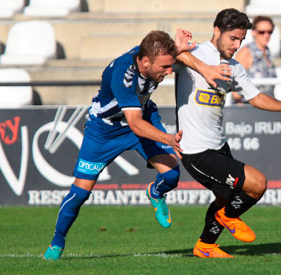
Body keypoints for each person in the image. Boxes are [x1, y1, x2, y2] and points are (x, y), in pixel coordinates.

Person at [43, 29, 228, 261]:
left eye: (170, 66)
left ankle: (155, 192)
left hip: (143, 116)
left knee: (171, 176)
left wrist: (180, 46)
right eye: (164, 68)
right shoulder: (123, 74)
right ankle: (57, 242)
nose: (169, 72)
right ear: (145, 62)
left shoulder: (152, 56)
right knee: (80, 193)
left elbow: (168, 54)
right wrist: (168, 139)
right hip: (105, 131)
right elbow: (134, 124)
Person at [175, 8, 281, 258]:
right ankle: (228, 217)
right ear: (216, 31)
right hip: (195, 150)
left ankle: (205, 246)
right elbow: (172, 55)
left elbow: (257, 98)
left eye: (241, 40)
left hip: (218, 145)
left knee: (224, 196)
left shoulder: (234, 67)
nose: (237, 44)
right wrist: (203, 68)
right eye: (233, 38)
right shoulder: (195, 53)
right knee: (257, 184)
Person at [233, 15, 277, 103]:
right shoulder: (246, 52)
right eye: (262, 32)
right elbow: (235, 85)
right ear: (253, 32)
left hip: (267, 105)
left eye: (270, 32)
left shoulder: (267, 51)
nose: (266, 35)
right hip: (249, 106)